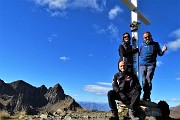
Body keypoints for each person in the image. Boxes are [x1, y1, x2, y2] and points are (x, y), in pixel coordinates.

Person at [140, 31, 167, 101]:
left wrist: (163, 50)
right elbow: (139, 54)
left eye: (148, 36)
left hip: (151, 64)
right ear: (143, 38)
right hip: (143, 65)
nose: (147, 38)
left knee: (148, 78)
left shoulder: (155, 44)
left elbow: (160, 53)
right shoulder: (142, 45)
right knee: (143, 80)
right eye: (145, 37)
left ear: (151, 36)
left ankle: (147, 95)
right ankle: (145, 94)